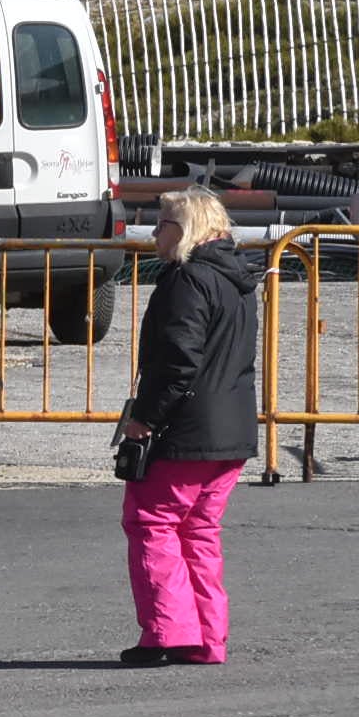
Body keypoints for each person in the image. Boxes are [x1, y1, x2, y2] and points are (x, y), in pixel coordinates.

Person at [116, 189, 257, 667]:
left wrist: (144, 420)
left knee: (152, 523)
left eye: (162, 224)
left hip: (186, 430)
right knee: (198, 530)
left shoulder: (186, 281)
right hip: (232, 430)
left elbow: (178, 361)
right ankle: (206, 637)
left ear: (185, 229)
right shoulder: (237, 281)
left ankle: (166, 633)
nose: (155, 233)